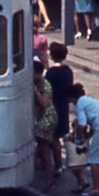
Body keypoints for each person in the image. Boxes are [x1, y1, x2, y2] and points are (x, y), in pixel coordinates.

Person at [32, 59, 59, 189]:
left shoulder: (45, 85)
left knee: (44, 148)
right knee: (42, 147)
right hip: (41, 117)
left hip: (47, 118)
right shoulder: (39, 83)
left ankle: (49, 178)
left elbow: (43, 103)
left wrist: (35, 92)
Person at [48, 42, 75, 161]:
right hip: (64, 105)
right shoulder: (68, 71)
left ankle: (58, 164)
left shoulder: (51, 73)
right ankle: (72, 160)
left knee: (54, 138)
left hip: (53, 105)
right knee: (64, 134)